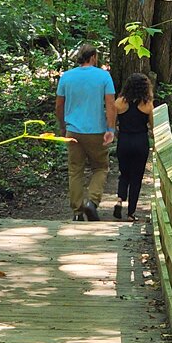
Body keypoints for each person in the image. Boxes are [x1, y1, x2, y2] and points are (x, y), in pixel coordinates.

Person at [55, 43, 116, 221]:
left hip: (73, 130)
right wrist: (110, 129)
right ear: (94, 57)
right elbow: (110, 104)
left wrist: (63, 125)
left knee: (75, 170)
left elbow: (59, 105)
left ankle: (77, 212)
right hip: (96, 131)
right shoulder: (104, 76)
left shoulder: (66, 77)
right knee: (101, 167)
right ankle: (92, 201)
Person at [112, 73, 154, 222]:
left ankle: (119, 200)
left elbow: (112, 122)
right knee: (136, 178)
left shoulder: (119, 103)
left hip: (124, 140)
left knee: (124, 173)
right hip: (140, 141)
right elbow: (153, 126)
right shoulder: (147, 104)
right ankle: (131, 213)